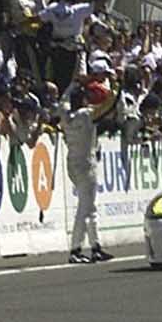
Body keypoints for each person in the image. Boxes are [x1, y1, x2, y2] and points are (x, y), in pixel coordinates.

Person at [64, 86, 110, 263]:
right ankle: (75, 249)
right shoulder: (85, 114)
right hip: (86, 164)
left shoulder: (67, 117)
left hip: (72, 162)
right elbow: (106, 107)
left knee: (90, 206)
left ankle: (95, 246)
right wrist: (115, 88)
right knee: (85, 207)